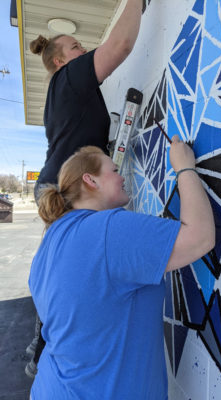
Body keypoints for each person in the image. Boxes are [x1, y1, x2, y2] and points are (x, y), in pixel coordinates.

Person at [28, 138, 215, 399]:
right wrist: (184, 168)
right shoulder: (106, 229)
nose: (122, 176)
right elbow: (200, 237)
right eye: (114, 171)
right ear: (91, 181)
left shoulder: (52, 239)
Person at [25, 0, 144, 377]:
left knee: (68, 266)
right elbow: (119, 46)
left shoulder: (69, 91)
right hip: (64, 184)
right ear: (61, 61)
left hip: (60, 182)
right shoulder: (69, 77)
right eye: (76, 47)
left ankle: (43, 338)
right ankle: (43, 341)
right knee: (70, 268)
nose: (84, 51)